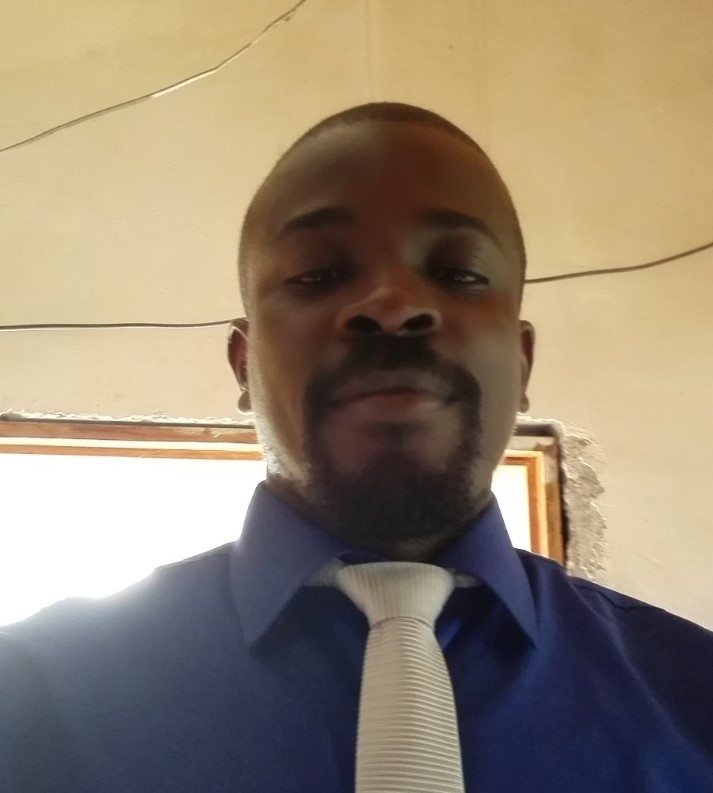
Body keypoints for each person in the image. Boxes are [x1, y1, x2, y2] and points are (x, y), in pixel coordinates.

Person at [1, 103, 712, 792]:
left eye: (459, 272)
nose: (392, 304)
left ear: (522, 365)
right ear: (243, 365)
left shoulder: (693, 694)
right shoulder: (31, 698)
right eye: (316, 273)